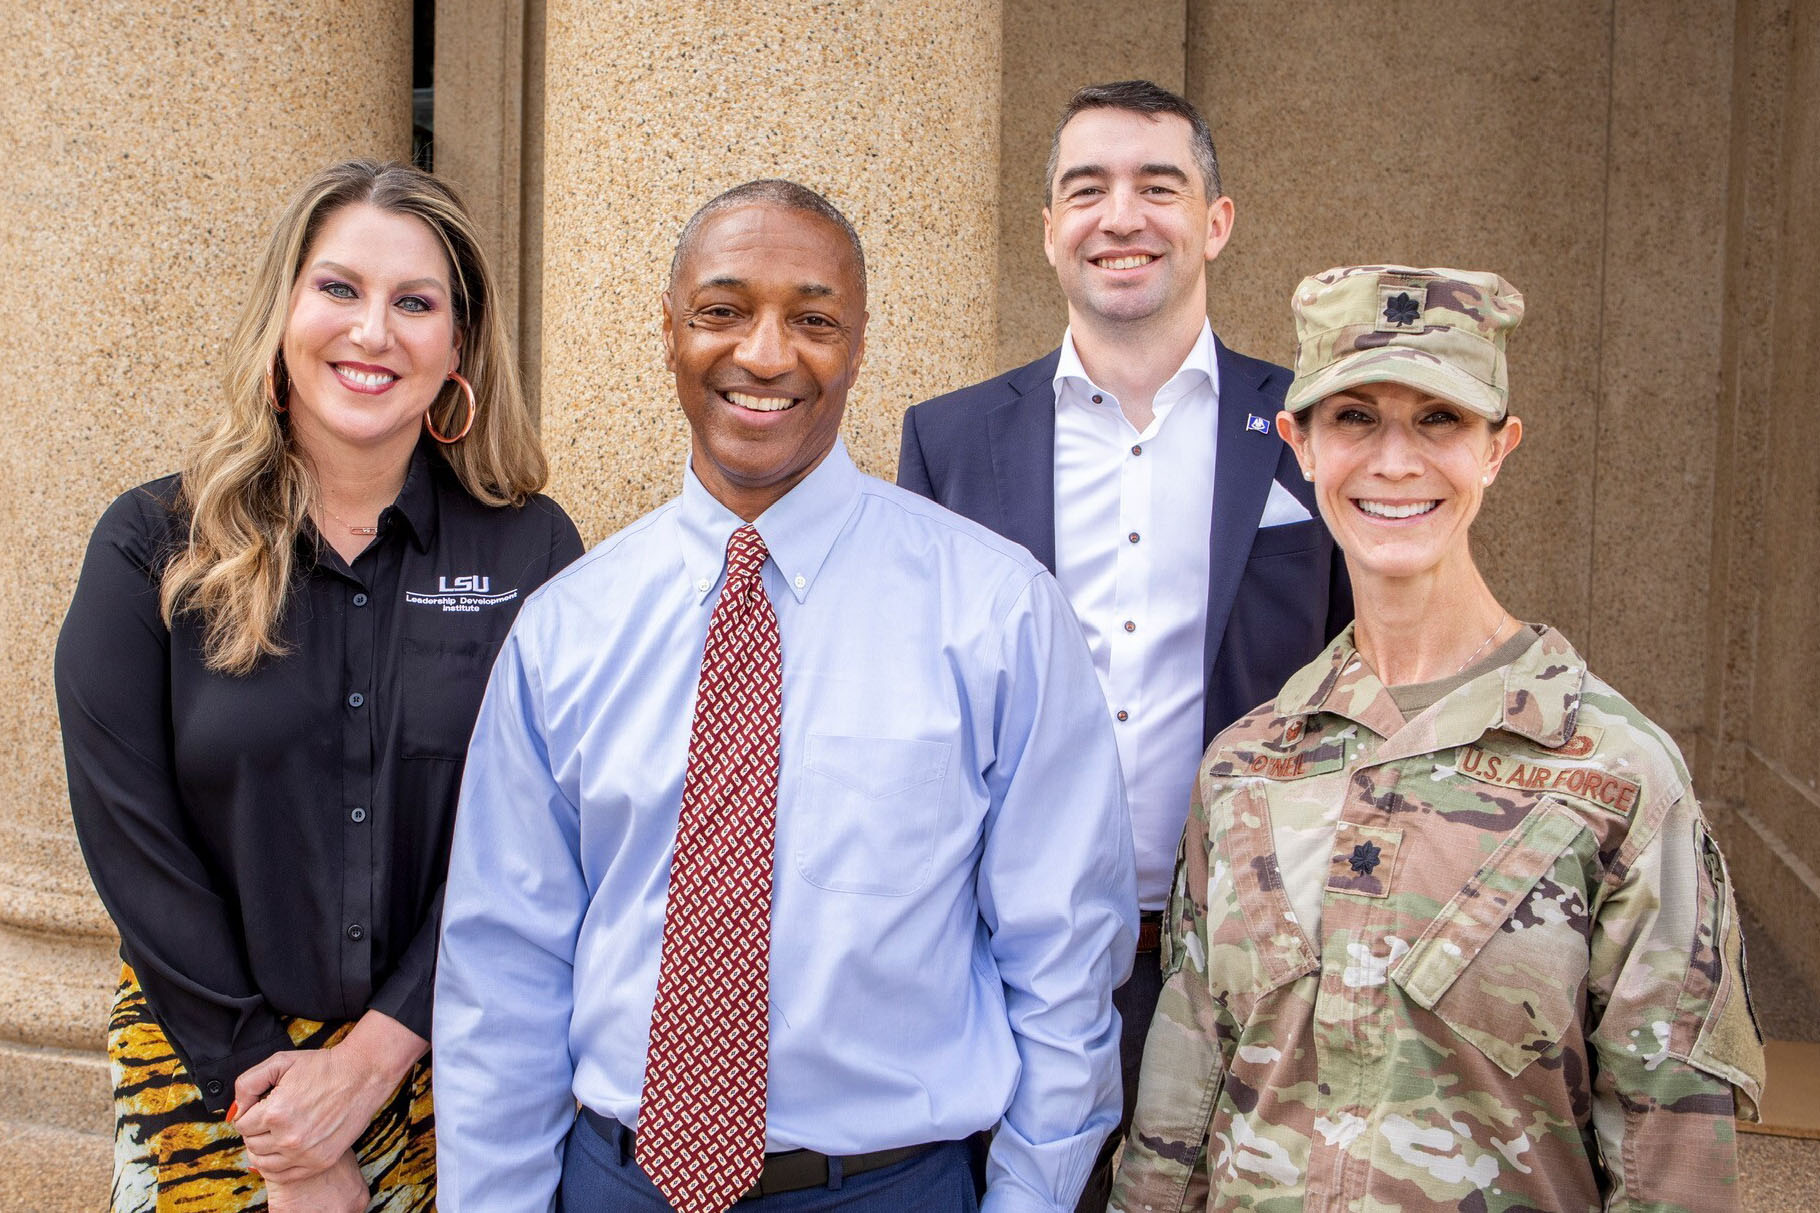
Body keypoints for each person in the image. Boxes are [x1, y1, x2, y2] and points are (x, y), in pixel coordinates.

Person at [433, 179, 1136, 1213]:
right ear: (667, 331)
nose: (765, 354)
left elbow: (1065, 954)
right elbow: (503, 964)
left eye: (812, 319)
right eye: (722, 311)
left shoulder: (994, 612)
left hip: (889, 1188)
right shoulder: (566, 629)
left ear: (855, 345)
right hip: (614, 1184)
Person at [1111, 265, 1767, 1211]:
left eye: (1439, 420)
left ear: (1499, 449)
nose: (1394, 461)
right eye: (1355, 418)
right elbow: (1176, 1122)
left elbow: (1676, 1169)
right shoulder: (1247, 769)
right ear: (1298, 444)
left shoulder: (1616, 776)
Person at [55, 159, 583, 1213]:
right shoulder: (150, 544)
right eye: (338, 288)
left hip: (454, 1084)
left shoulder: (533, 550)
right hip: (204, 1086)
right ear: (283, 312)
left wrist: (374, 1062)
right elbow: (130, 836)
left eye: (415, 303)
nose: (372, 332)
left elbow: (541, 834)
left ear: (459, 346)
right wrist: (286, 1127)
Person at [896, 79, 1349, 1206]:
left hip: (1248, 953)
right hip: (1010, 956)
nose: (1121, 217)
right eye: (1085, 189)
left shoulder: (1310, 426)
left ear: (1214, 221)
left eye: (1159, 186)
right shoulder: (950, 441)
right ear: (1049, 226)